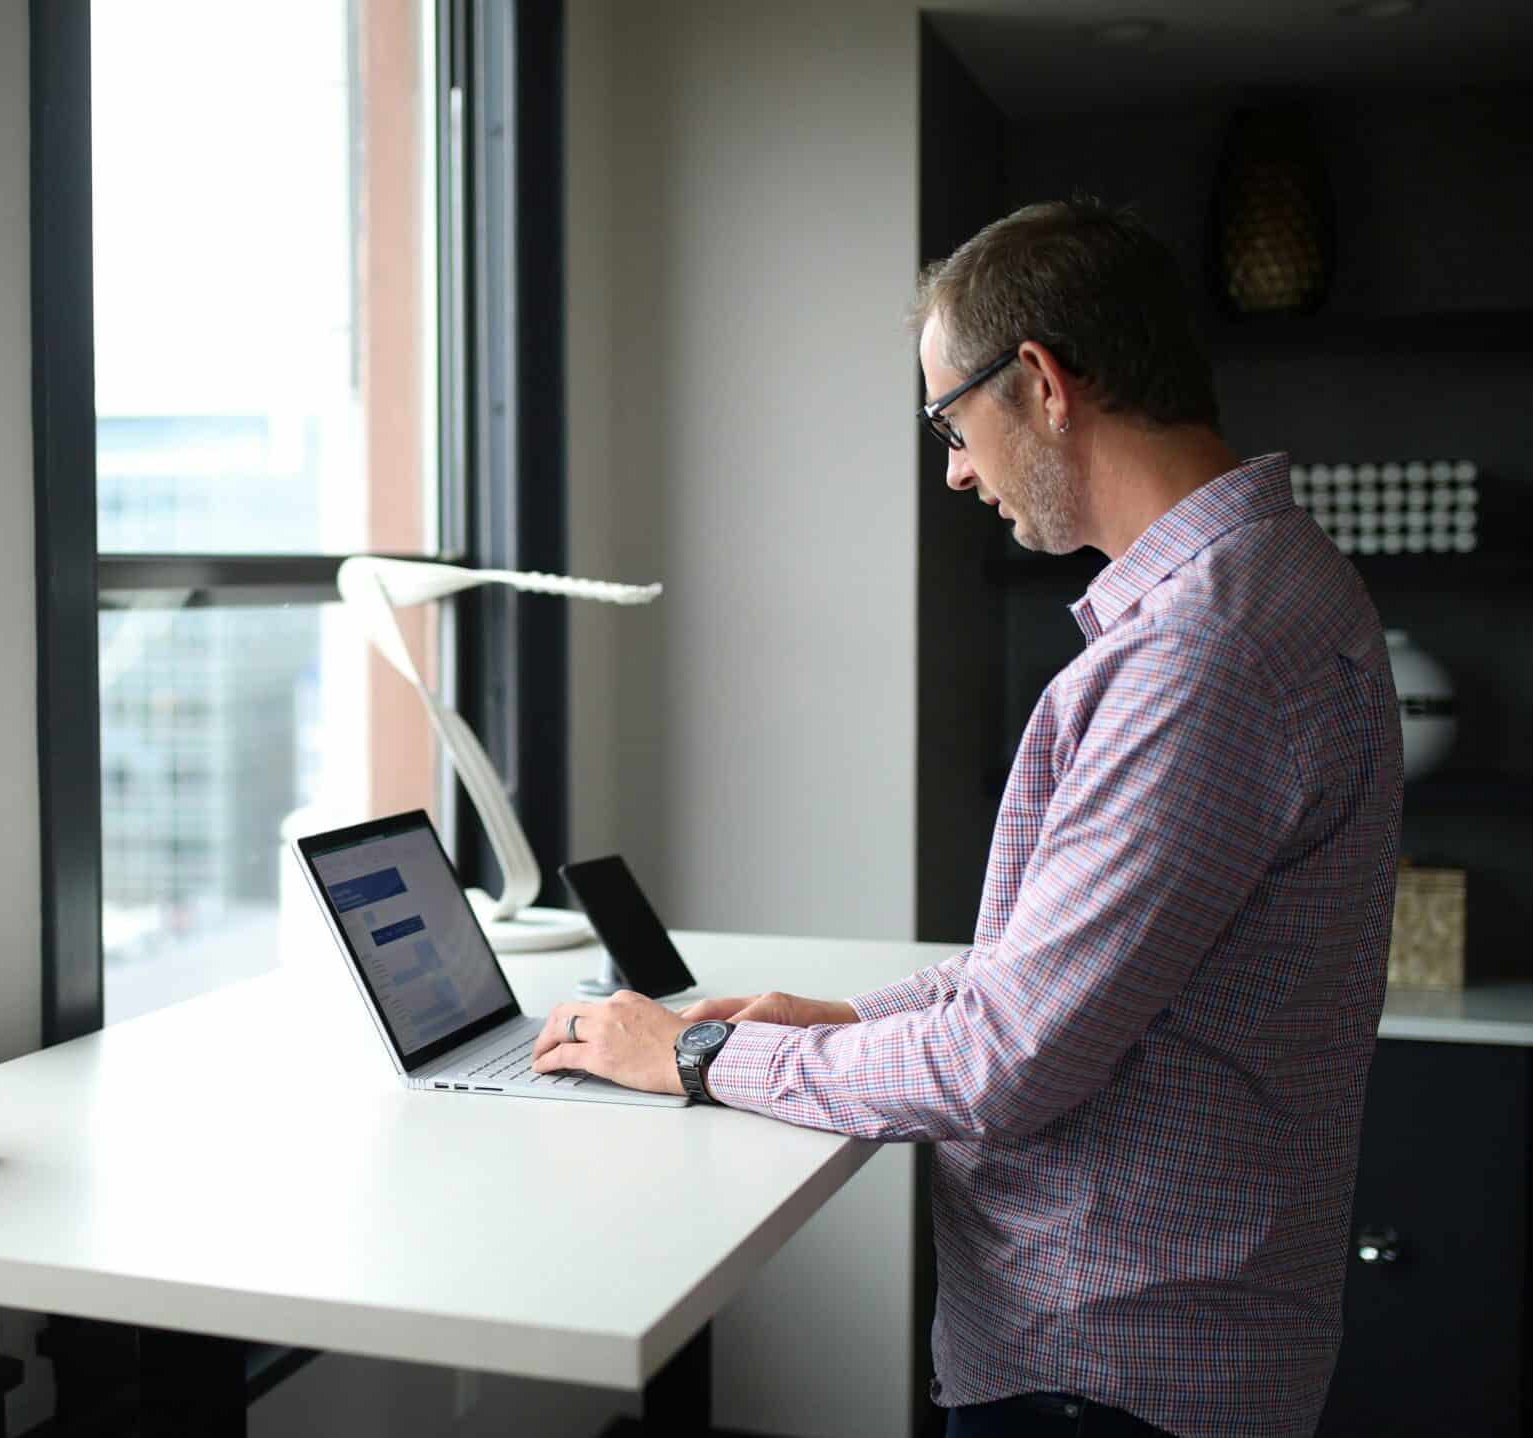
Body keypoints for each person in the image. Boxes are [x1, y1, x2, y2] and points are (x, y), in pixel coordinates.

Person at [528, 198, 1402, 1438]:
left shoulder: (1197, 655)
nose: (952, 468)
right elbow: (1045, 977)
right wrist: (844, 1020)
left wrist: (692, 1057)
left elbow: (1003, 1060)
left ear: (1040, 383)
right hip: (1166, 1339)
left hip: (1106, 1369)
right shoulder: (1275, 581)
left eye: (948, 420)